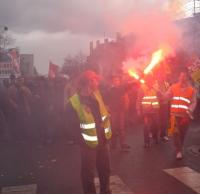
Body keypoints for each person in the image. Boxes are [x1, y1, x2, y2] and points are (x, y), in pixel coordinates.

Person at [65, 70, 112, 194]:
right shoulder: (73, 102)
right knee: (88, 175)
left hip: (103, 140)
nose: (97, 82)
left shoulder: (97, 94)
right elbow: (70, 127)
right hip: (88, 145)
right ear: (88, 82)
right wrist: (81, 141)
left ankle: (106, 192)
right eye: (94, 79)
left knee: (105, 170)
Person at [164, 71, 197, 159]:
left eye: (184, 76)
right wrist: (161, 95)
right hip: (174, 115)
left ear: (187, 78)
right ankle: (179, 151)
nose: (182, 78)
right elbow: (166, 96)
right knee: (175, 133)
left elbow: (194, 102)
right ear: (179, 77)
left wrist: (190, 110)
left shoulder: (192, 90)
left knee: (182, 134)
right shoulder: (173, 87)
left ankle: (179, 148)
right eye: (181, 76)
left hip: (185, 116)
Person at [106, 75, 131, 152]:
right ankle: (113, 145)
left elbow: (128, 86)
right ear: (112, 82)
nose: (116, 81)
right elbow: (107, 100)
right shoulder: (110, 90)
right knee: (113, 128)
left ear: (119, 81)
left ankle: (123, 145)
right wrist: (108, 109)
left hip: (120, 111)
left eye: (117, 80)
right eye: (114, 80)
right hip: (113, 111)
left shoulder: (121, 89)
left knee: (121, 128)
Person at [136, 76, 160, 148]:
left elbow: (159, 96)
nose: (150, 81)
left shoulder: (156, 87)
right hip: (146, 111)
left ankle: (155, 137)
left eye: (151, 80)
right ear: (146, 81)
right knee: (146, 126)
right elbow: (138, 99)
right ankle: (146, 142)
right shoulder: (142, 88)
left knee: (156, 125)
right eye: (149, 80)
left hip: (155, 110)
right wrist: (138, 109)